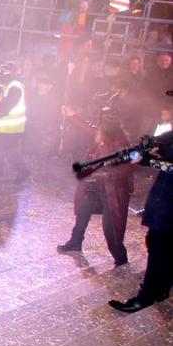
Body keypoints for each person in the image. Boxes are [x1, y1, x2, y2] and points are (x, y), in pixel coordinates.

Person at [57, 108, 133, 266]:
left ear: (107, 128)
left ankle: (120, 257)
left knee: (110, 227)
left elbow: (127, 168)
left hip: (111, 191)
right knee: (82, 213)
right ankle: (75, 242)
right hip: (94, 186)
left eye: (100, 125)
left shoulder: (121, 143)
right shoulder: (102, 135)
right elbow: (87, 127)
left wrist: (104, 174)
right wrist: (73, 115)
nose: (96, 128)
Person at [109, 134, 173, 313]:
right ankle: (161, 289)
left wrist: (148, 160)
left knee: (158, 245)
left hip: (169, 203)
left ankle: (145, 297)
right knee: (161, 244)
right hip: (166, 197)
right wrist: (153, 145)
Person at [0, 63, 30, 183]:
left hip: (13, 127)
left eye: (5, 71)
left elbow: (9, 104)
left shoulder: (15, 86)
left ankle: (23, 172)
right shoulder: (6, 85)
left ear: (12, 72)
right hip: (2, 126)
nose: (2, 74)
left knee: (11, 151)